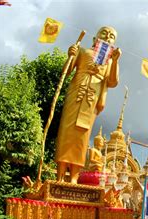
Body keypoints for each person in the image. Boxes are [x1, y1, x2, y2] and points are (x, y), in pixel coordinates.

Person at [55, 26, 121, 183]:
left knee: (82, 136)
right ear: (95, 38)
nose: (107, 37)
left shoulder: (110, 60)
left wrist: (116, 60)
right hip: (77, 91)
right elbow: (66, 71)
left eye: (111, 35)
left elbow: (112, 82)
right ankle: (60, 174)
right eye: (104, 33)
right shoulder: (84, 51)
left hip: (92, 97)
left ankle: (74, 176)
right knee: (67, 131)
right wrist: (70, 55)